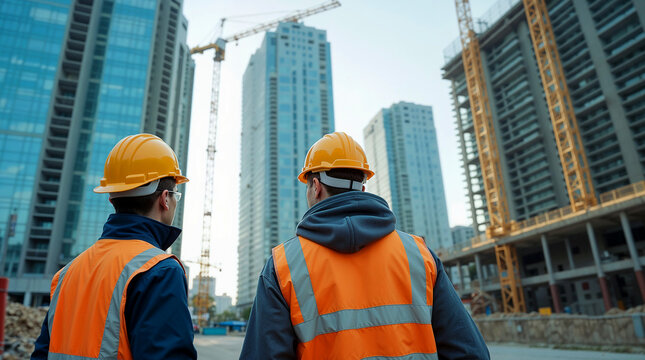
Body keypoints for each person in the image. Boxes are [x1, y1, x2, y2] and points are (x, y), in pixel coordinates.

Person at [240, 132, 490, 359]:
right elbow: (469, 352)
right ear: (362, 186)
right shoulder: (419, 254)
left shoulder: (283, 264)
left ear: (316, 187)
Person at [31, 134, 197, 359]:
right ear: (165, 199)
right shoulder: (159, 271)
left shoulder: (65, 274)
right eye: (176, 195)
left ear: (112, 199)